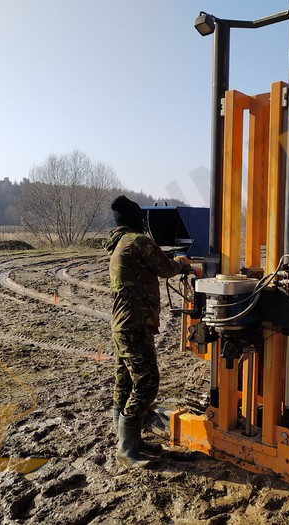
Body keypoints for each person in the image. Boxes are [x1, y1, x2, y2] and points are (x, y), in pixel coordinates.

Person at [104, 195, 191, 468]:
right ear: (136, 220)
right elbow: (166, 269)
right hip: (135, 325)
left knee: (125, 382)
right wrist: (182, 262)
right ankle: (127, 449)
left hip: (123, 324)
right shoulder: (138, 242)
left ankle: (130, 441)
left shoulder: (119, 243)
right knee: (146, 383)